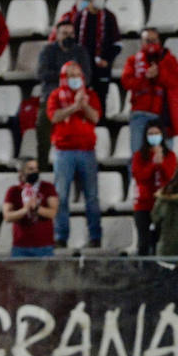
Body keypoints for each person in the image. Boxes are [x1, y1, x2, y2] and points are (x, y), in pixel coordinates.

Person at [47, 61, 103, 249]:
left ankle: (95, 236)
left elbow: (95, 117)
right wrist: (74, 107)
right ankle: (61, 236)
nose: (74, 79)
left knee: (92, 196)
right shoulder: (55, 95)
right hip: (64, 151)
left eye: (77, 74)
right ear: (64, 77)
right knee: (61, 196)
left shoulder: (91, 95)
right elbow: (54, 117)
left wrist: (84, 106)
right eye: (70, 75)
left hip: (87, 150)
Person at [120, 28, 178, 156]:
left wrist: (159, 74)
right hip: (140, 114)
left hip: (163, 115)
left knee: (165, 155)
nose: (151, 44)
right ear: (141, 43)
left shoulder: (169, 60)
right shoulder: (132, 61)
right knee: (138, 156)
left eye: (154, 40)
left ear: (159, 41)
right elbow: (126, 82)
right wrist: (145, 77)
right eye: (148, 41)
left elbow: (175, 81)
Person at [36, 17, 91, 169]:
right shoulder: (48, 50)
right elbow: (42, 74)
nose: (68, 36)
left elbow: (86, 76)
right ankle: (43, 166)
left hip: (75, 98)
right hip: (50, 97)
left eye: (71, 33)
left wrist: (64, 78)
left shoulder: (80, 51)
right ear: (57, 34)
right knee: (42, 128)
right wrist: (66, 75)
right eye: (64, 33)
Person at [56, 0, 121, 107]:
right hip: (82, 68)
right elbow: (73, 42)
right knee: (80, 99)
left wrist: (107, 60)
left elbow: (117, 44)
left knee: (100, 101)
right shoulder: (79, 17)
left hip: (101, 67)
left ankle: (101, 123)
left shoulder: (109, 16)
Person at [130, 121, 178, 255]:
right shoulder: (139, 156)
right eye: (150, 134)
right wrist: (152, 164)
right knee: (143, 242)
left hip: (163, 203)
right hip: (144, 204)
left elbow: (171, 177)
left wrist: (161, 164)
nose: (153, 136)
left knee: (162, 241)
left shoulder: (170, 156)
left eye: (156, 133)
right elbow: (140, 176)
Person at [3, 158, 60, 258]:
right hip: (20, 246)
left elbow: (53, 213)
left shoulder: (48, 187)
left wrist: (37, 208)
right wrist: (25, 210)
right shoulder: (13, 191)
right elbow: (7, 216)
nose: (35, 172)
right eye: (30, 169)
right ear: (21, 172)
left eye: (36, 169)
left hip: (45, 246)